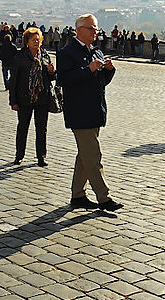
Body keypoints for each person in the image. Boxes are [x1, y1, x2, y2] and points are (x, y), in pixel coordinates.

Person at [57, 14, 122, 211]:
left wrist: (109, 70)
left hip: (96, 110)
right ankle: (104, 197)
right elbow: (65, 80)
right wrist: (89, 69)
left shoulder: (97, 52)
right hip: (79, 111)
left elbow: (101, 82)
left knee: (84, 155)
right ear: (80, 30)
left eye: (96, 29)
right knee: (93, 156)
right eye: (92, 29)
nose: (96, 32)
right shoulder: (67, 52)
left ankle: (78, 194)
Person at [8, 27, 56, 166]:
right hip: (24, 98)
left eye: (38, 39)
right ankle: (19, 155)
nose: (36, 42)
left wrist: (52, 72)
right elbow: (14, 81)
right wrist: (13, 101)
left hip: (42, 98)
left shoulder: (45, 55)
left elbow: (52, 77)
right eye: (33, 39)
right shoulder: (19, 57)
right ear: (27, 42)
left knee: (42, 129)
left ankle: (41, 156)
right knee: (23, 127)